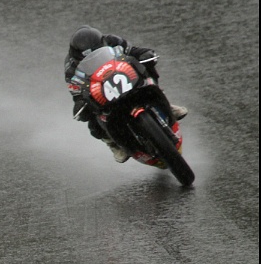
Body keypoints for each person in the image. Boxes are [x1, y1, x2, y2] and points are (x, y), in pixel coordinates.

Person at [64, 25, 189, 163]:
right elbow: (76, 92)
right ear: (76, 56)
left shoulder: (112, 40)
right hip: (101, 90)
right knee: (92, 118)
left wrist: (145, 54)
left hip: (123, 75)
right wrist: (81, 102)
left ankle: (165, 103)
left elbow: (133, 51)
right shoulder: (70, 68)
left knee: (147, 66)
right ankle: (112, 143)